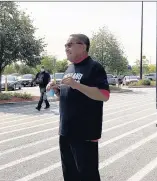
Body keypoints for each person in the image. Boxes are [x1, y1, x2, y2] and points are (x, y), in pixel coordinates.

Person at [47, 34, 110, 181]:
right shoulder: (69, 68)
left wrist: (76, 85)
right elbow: (70, 95)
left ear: (82, 46)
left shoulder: (94, 67)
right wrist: (58, 90)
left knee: (87, 175)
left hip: (85, 133)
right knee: (69, 174)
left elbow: (104, 95)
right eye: (65, 45)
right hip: (66, 132)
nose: (66, 48)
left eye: (69, 44)